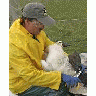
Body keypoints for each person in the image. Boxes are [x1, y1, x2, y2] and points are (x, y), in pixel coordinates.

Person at [9, 2, 82, 96]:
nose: (43, 27)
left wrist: (68, 59)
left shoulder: (36, 31)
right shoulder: (13, 43)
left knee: (67, 86)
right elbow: (29, 75)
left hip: (40, 73)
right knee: (61, 92)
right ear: (27, 21)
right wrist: (60, 77)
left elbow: (49, 45)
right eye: (40, 23)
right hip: (23, 84)